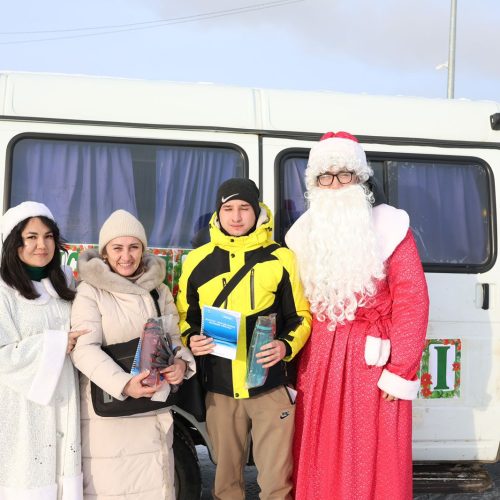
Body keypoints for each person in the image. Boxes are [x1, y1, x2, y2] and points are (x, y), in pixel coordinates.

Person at [286, 132, 430, 500]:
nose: (335, 185)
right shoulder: (302, 235)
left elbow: (412, 302)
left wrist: (400, 371)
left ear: (360, 178)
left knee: (372, 454)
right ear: (315, 183)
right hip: (317, 363)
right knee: (320, 450)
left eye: (344, 174)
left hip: (373, 363)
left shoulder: (391, 228)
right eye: (326, 176)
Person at [176, 178, 312, 500]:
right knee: (225, 485)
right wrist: (191, 338)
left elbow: (301, 316)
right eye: (228, 209)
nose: (236, 217)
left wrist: (285, 346)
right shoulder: (196, 261)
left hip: (269, 386)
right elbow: (185, 317)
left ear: (256, 211)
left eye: (244, 208)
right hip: (220, 390)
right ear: (218, 213)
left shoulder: (282, 258)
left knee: (278, 483)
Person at [70, 209, 195, 500]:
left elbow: (173, 339)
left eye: (133, 247)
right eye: (117, 248)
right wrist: (124, 384)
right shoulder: (90, 292)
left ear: (143, 249)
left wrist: (180, 363)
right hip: (111, 421)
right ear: (104, 253)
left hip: (153, 410)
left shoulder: (158, 291)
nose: (126, 256)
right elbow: (83, 350)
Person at [0, 201, 86, 499]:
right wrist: (57, 343)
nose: (42, 245)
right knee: (29, 478)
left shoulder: (64, 280)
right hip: (24, 408)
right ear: (14, 243)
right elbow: (3, 354)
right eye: (32, 237)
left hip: (66, 400)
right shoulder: (3, 290)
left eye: (48, 236)